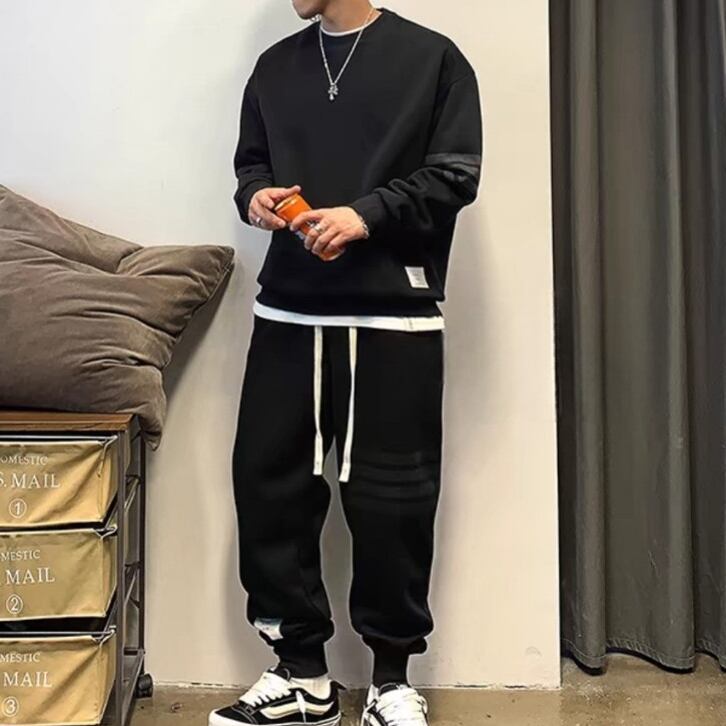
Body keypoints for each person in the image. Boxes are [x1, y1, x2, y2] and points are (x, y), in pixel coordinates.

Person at [210, 1, 482, 725]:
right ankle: (301, 678)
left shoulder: (434, 59)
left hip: (394, 316)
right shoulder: (275, 67)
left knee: (394, 499)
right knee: (269, 490)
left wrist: (366, 216)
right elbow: (250, 165)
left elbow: (455, 175)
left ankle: (391, 682)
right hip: (288, 313)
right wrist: (257, 198)